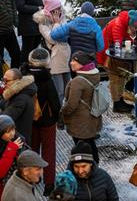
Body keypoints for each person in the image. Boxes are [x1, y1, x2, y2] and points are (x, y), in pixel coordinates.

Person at [21, 48, 60, 196]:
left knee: (32, 149)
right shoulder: (47, 79)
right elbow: (55, 103)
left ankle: (34, 178)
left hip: (29, 119)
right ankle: (49, 184)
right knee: (49, 151)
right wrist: (57, 117)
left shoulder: (23, 75)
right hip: (47, 119)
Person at [96, 10, 137, 113]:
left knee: (121, 76)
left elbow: (126, 43)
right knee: (114, 78)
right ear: (130, 24)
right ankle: (117, 104)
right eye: (135, 27)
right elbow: (118, 44)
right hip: (107, 55)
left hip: (114, 54)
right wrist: (130, 36)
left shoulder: (126, 24)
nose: (136, 30)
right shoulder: (117, 25)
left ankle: (120, 100)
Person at [62, 52, 101, 164]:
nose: (71, 63)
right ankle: (95, 164)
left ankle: (89, 168)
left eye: (75, 61)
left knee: (81, 146)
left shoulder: (78, 82)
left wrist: (63, 114)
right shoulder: (95, 75)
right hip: (92, 116)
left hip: (80, 121)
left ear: (82, 65)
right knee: (90, 143)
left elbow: (71, 104)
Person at [33, 0, 71, 103]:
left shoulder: (62, 15)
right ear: (51, 10)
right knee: (59, 91)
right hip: (55, 56)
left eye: (60, 7)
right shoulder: (43, 22)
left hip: (65, 54)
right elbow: (52, 39)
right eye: (56, 8)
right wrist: (57, 24)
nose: (59, 10)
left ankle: (68, 112)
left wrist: (58, 26)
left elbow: (67, 35)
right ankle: (59, 114)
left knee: (68, 88)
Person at [14, 0, 44, 65]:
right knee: (27, 49)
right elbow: (20, 7)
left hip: (38, 22)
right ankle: (23, 70)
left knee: (36, 48)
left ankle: (34, 69)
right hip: (27, 24)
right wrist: (37, 8)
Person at [0, 68, 36, 146]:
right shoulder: (13, 92)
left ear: (16, 82)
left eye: (6, 81)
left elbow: (4, 119)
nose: (3, 84)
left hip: (17, 142)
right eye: (3, 80)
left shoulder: (21, 99)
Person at [0, 0, 21, 76]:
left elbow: (14, 7)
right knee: (0, 59)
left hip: (9, 29)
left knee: (17, 54)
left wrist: (15, 21)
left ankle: (13, 77)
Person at [0, 115, 24, 197]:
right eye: (8, 131)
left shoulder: (17, 139)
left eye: (13, 129)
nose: (12, 134)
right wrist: (11, 149)